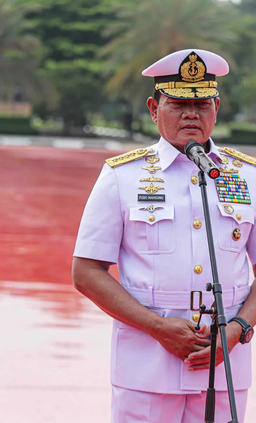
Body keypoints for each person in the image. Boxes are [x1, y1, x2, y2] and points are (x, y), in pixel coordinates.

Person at [72, 49, 256, 423]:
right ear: (154, 109)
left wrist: (238, 329)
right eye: (178, 104)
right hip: (146, 367)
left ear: (216, 108)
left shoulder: (247, 176)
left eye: (202, 103)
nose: (191, 113)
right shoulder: (122, 176)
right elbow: (86, 271)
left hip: (224, 368)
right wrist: (158, 328)